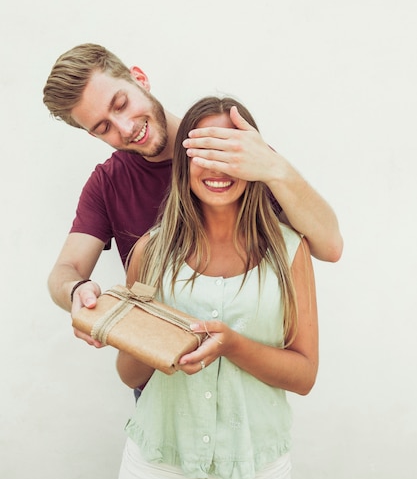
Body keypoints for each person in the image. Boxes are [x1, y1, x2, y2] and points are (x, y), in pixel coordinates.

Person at [43, 43, 342, 348]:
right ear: (93, 134)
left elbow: (329, 246)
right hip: (160, 377)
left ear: (139, 79)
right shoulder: (108, 182)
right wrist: (75, 290)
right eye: (104, 127)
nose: (126, 127)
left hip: (249, 373)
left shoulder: (227, 143)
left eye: (121, 104)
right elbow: (65, 271)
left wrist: (276, 168)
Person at [114, 96, 319, 479]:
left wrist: (233, 346)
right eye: (202, 152)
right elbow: (128, 373)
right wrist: (145, 336)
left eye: (229, 151)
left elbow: (304, 375)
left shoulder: (289, 251)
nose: (216, 167)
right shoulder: (149, 253)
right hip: (158, 471)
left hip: (254, 475)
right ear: (183, 164)